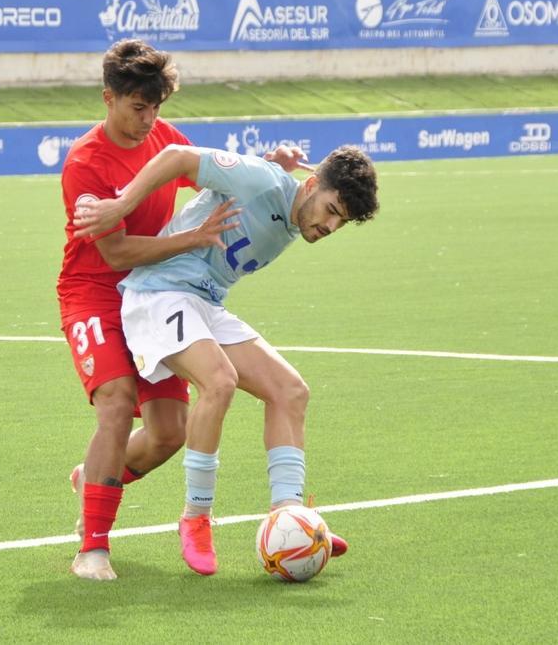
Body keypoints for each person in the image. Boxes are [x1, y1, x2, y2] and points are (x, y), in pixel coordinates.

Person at [59, 39, 307, 581]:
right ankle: (92, 547)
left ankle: (96, 478)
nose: (148, 121)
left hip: (159, 288)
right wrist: (193, 239)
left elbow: (221, 177)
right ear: (109, 98)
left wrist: (271, 166)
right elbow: (116, 251)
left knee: (169, 433)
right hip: (94, 294)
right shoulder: (84, 163)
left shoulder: (165, 139)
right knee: (117, 405)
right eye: (137, 108)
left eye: (156, 108)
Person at [73, 144, 378, 575]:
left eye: (340, 221)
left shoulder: (293, 205)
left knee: (291, 392)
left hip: (204, 301)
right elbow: (178, 155)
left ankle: (291, 520)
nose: (330, 225)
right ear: (311, 185)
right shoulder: (262, 180)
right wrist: (121, 205)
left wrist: (274, 165)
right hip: (159, 293)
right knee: (219, 381)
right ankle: (195, 518)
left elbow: (268, 192)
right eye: (330, 209)